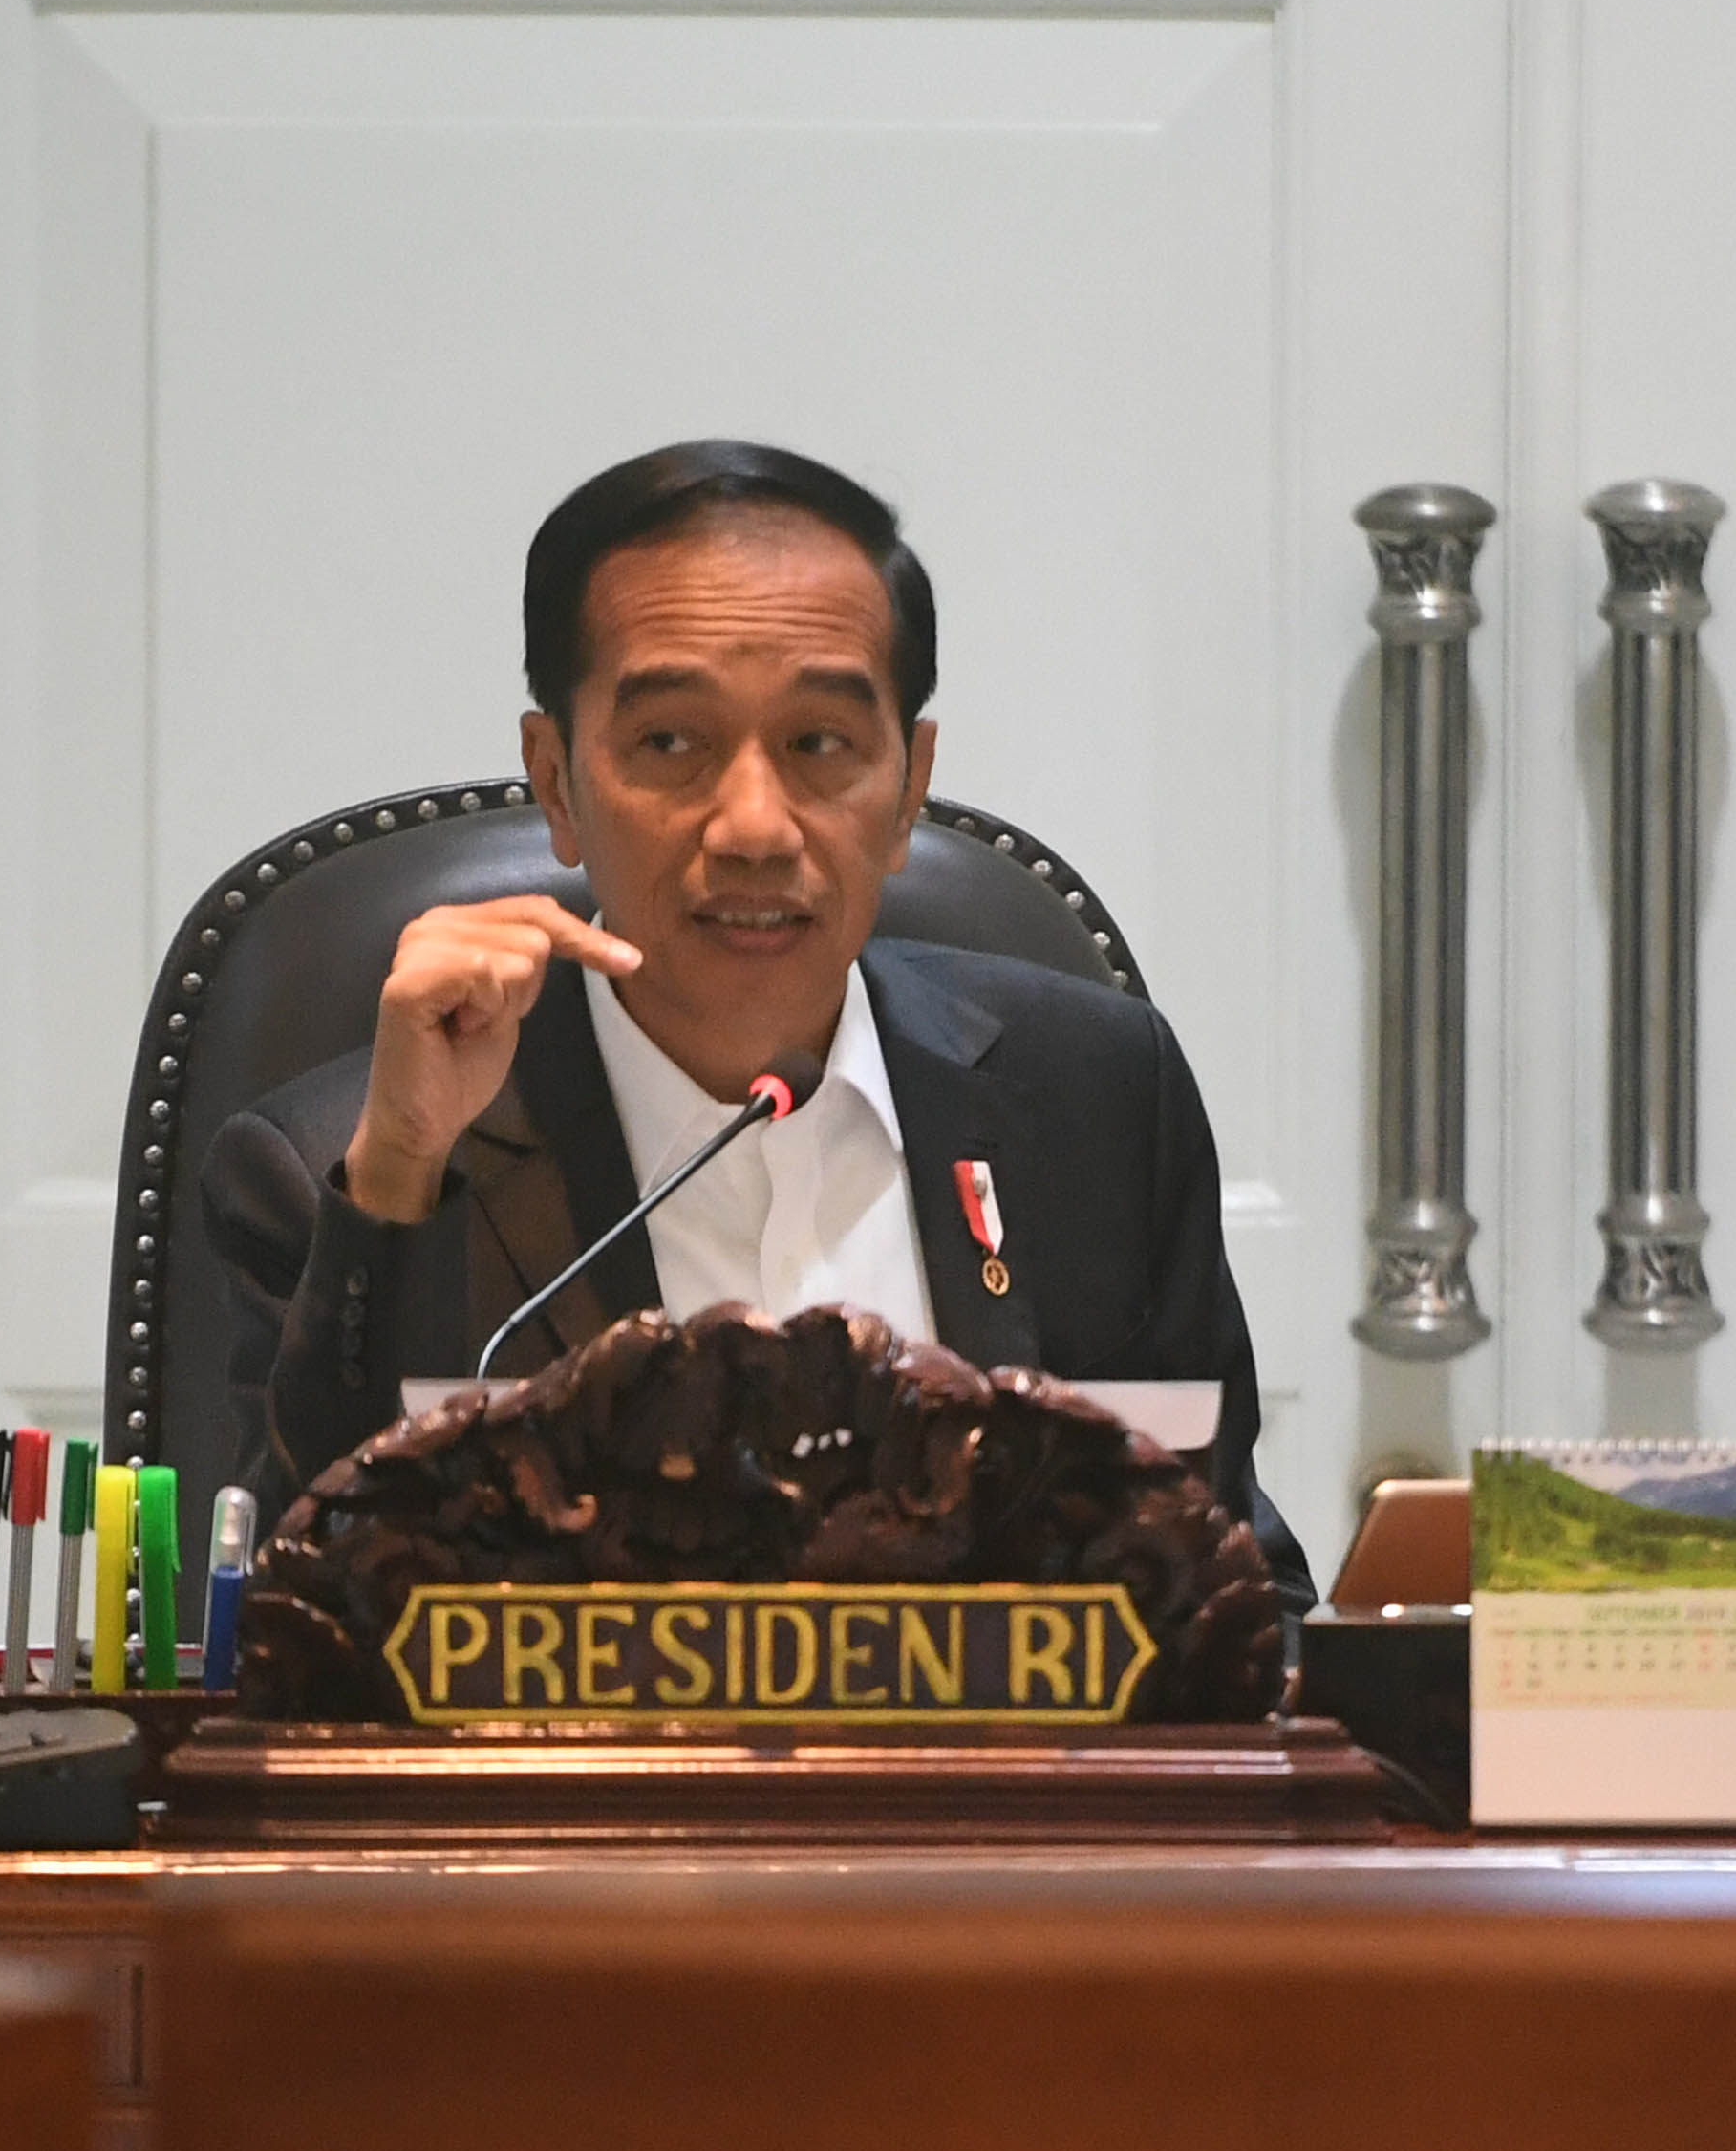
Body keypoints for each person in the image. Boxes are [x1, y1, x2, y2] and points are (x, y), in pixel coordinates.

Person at [204, 439, 1312, 1614]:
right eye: (671, 742)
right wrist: (397, 1178)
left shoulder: (1091, 1100)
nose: (752, 824)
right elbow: (277, 1643)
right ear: (559, 780)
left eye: (818, 745)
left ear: (909, 783)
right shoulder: (349, 1156)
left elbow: (1236, 1600)